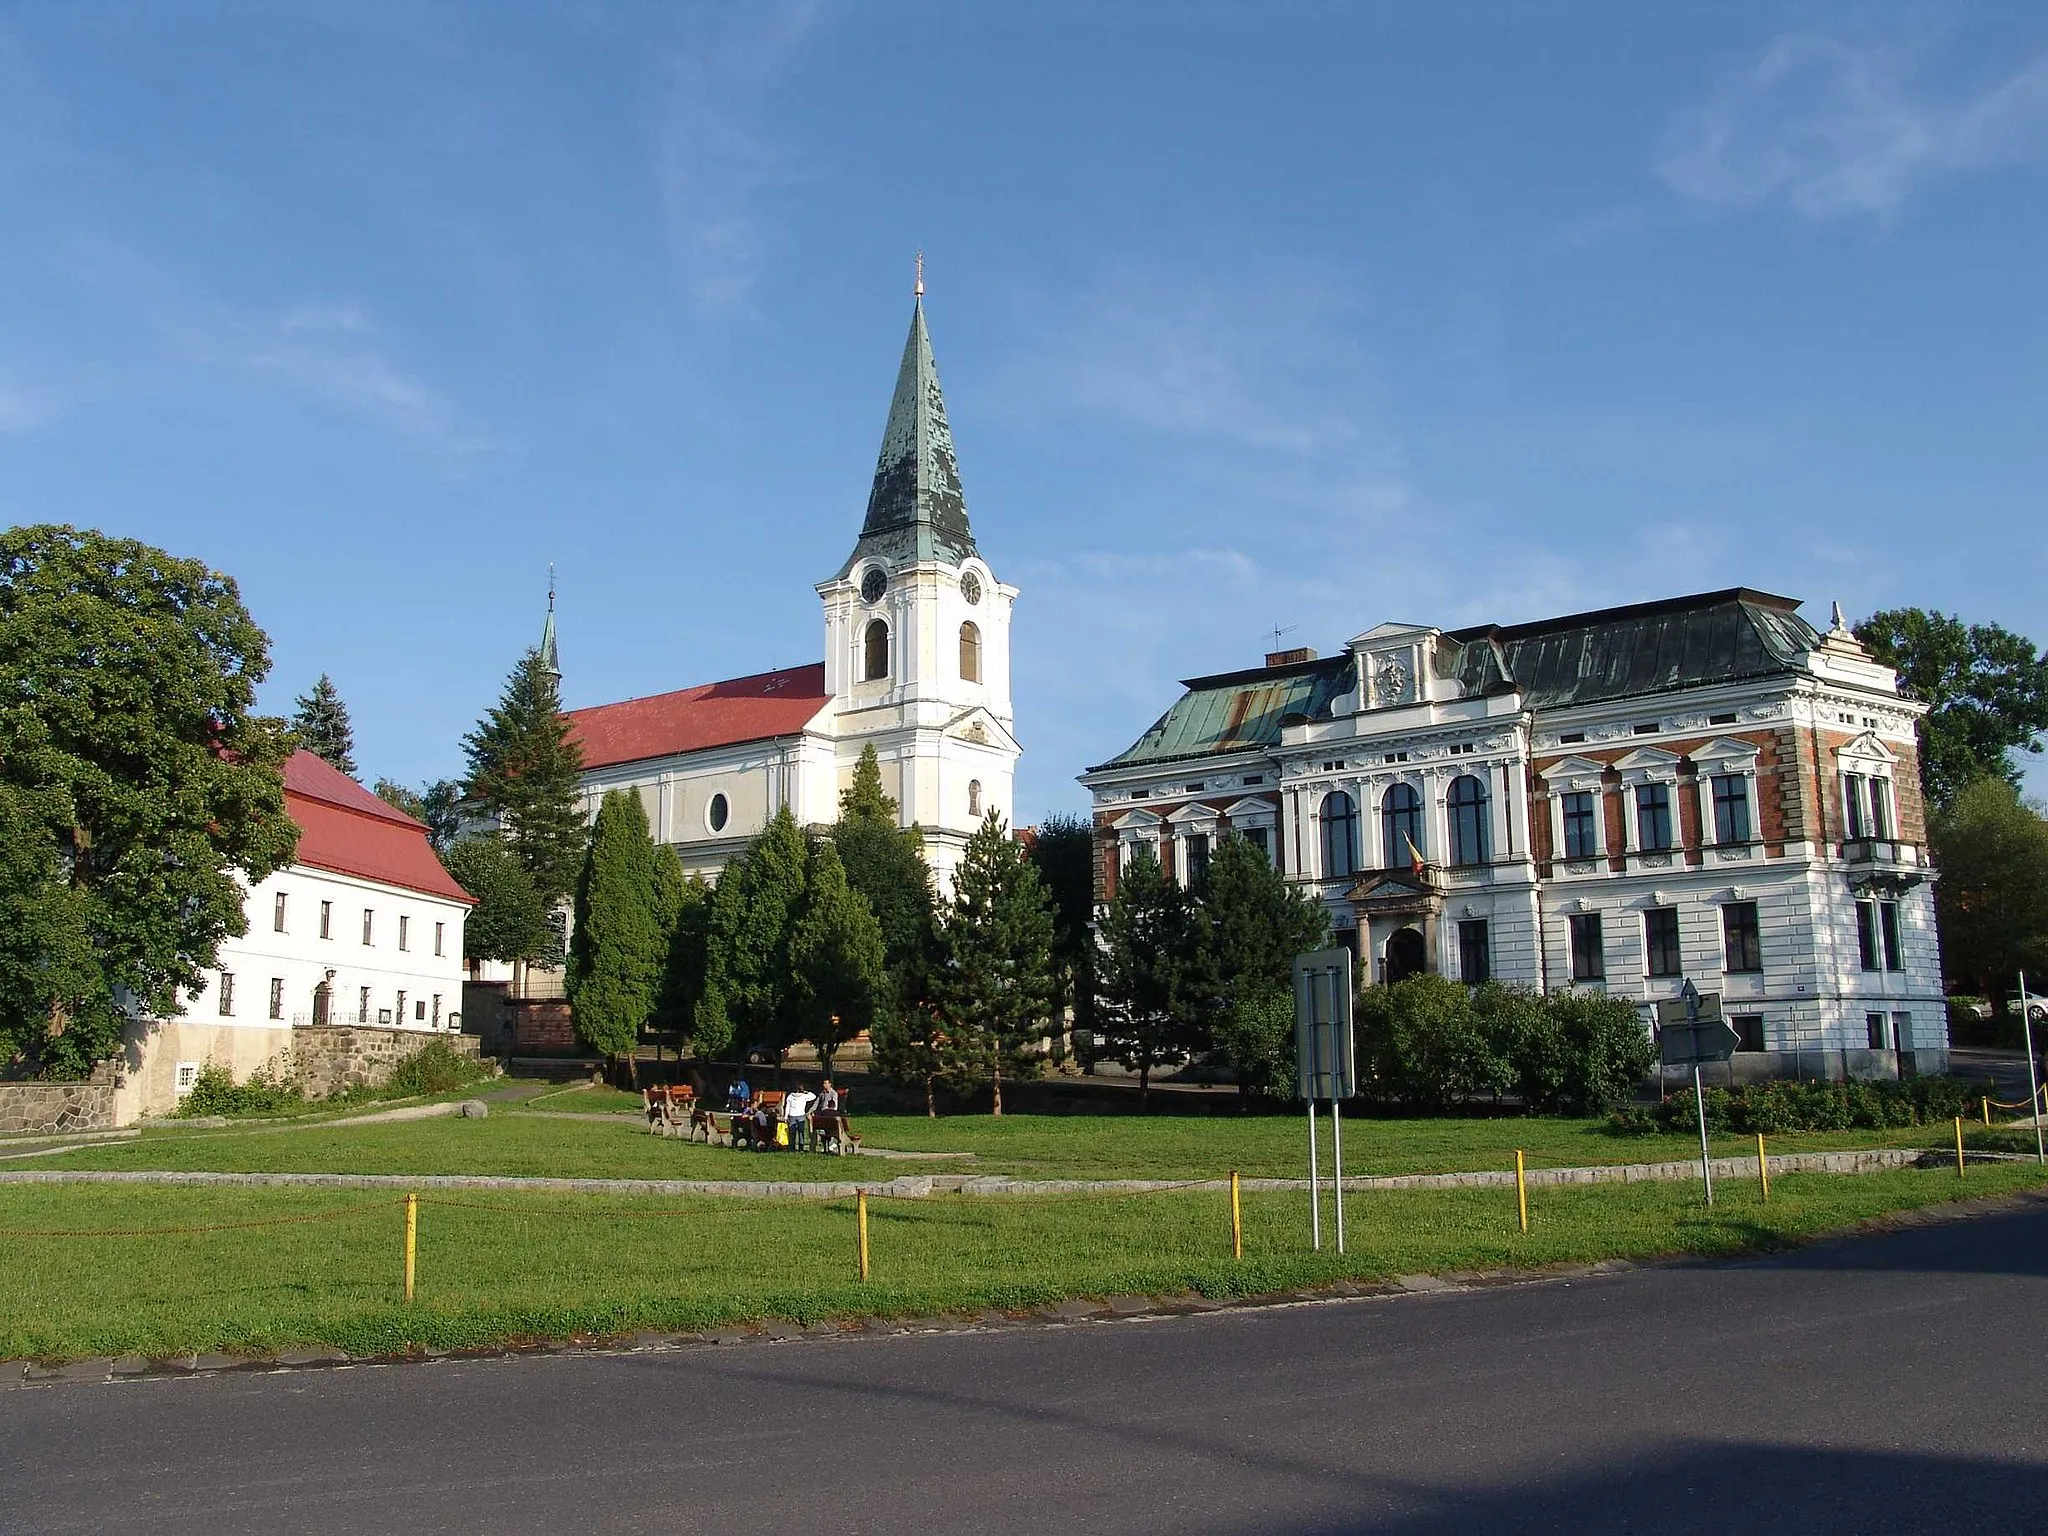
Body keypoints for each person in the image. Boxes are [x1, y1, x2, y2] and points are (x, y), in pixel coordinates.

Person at [783, 1086, 813, 1152]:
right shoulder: (804, 1096)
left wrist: (785, 1116)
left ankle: (791, 1148)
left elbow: (787, 1107)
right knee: (801, 1133)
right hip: (801, 1115)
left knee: (792, 1133)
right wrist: (806, 1092)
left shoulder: (790, 1096)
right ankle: (801, 1148)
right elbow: (813, 1096)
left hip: (792, 1115)